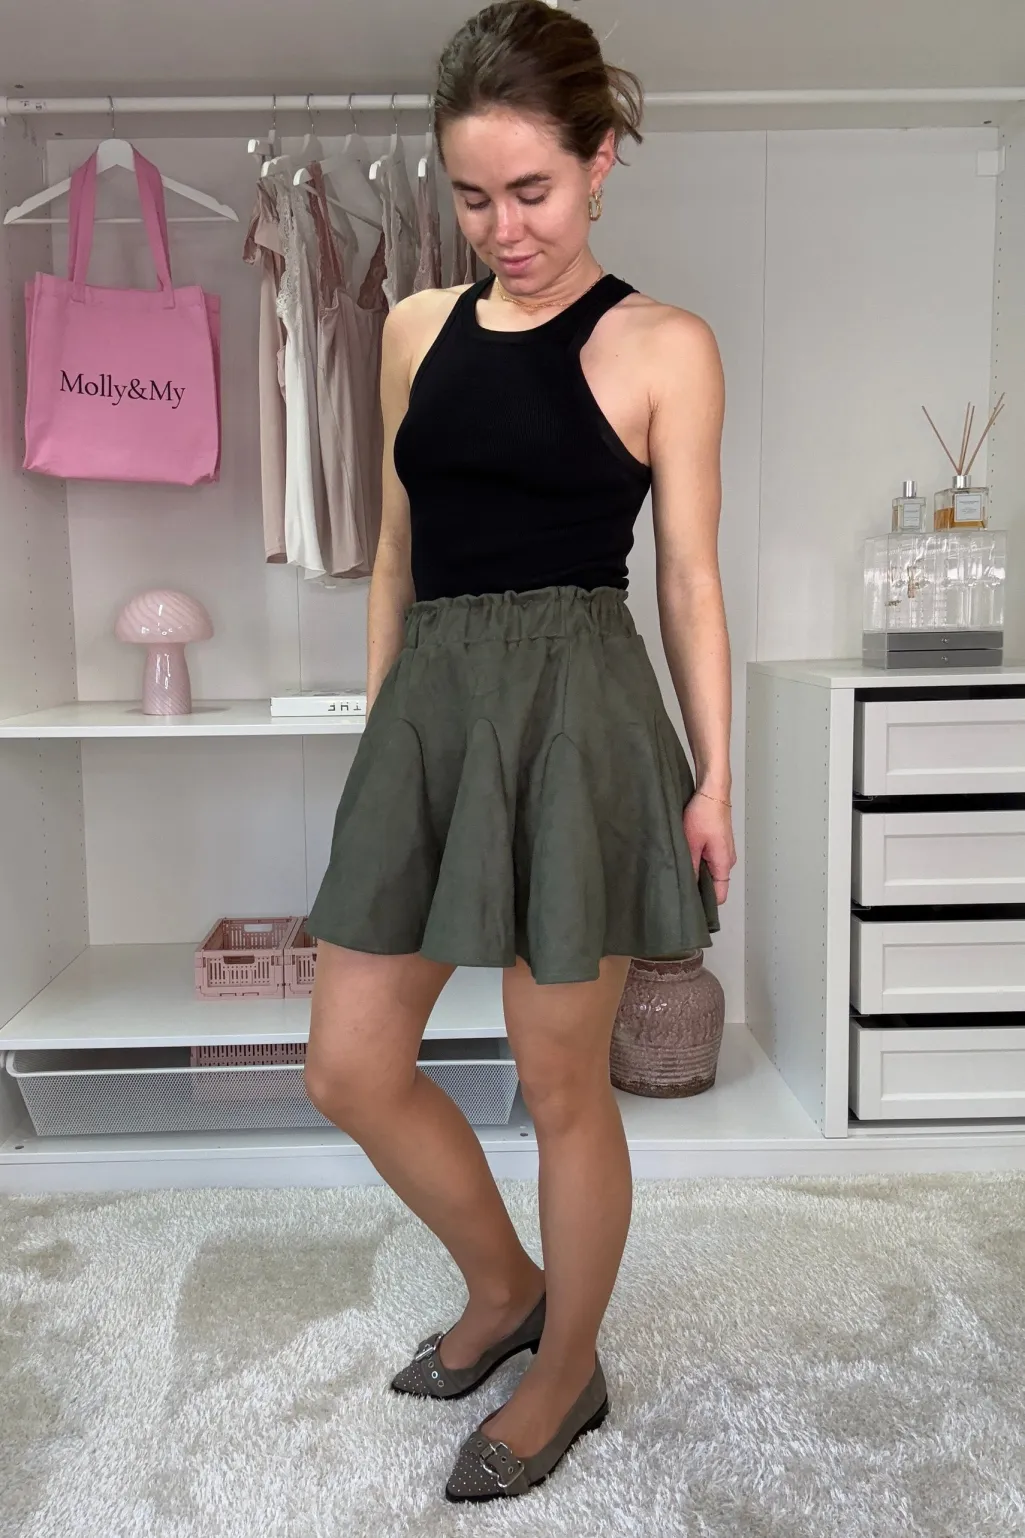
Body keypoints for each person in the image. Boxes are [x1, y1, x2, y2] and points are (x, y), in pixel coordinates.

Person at [303, 0, 736, 1503]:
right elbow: (395, 551)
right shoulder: (415, 328)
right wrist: (385, 726)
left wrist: (717, 778)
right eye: (475, 196)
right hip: (433, 705)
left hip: (578, 717)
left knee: (559, 1080)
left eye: (533, 190)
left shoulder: (665, 344)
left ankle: (568, 1369)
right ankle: (506, 1285)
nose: (505, 229)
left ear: (601, 159)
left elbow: (689, 581)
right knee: (351, 1064)